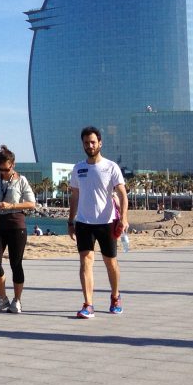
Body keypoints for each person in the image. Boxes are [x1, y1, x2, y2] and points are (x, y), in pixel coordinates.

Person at [67, 126, 129, 318]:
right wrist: (71, 221)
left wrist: (124, 218)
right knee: (85, 262)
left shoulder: (111, 167)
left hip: (107, 222)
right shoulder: (78, 168)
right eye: (86, 142)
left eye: (93, 142)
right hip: (84, 223)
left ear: (100, 143)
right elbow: (75, 196)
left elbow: (122, 195)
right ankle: (88, 304)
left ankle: (115, 296)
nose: (90, 145)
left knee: (110, 262)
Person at [0, 145, 36, 314]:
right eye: (0, 169)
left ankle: (17, 300)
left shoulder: (21, 181)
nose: (3, 172)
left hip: (16, 225)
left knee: (16, 264)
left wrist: (12, 205)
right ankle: (2, 298)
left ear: (13, 165)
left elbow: (31, 203)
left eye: (6, 169)